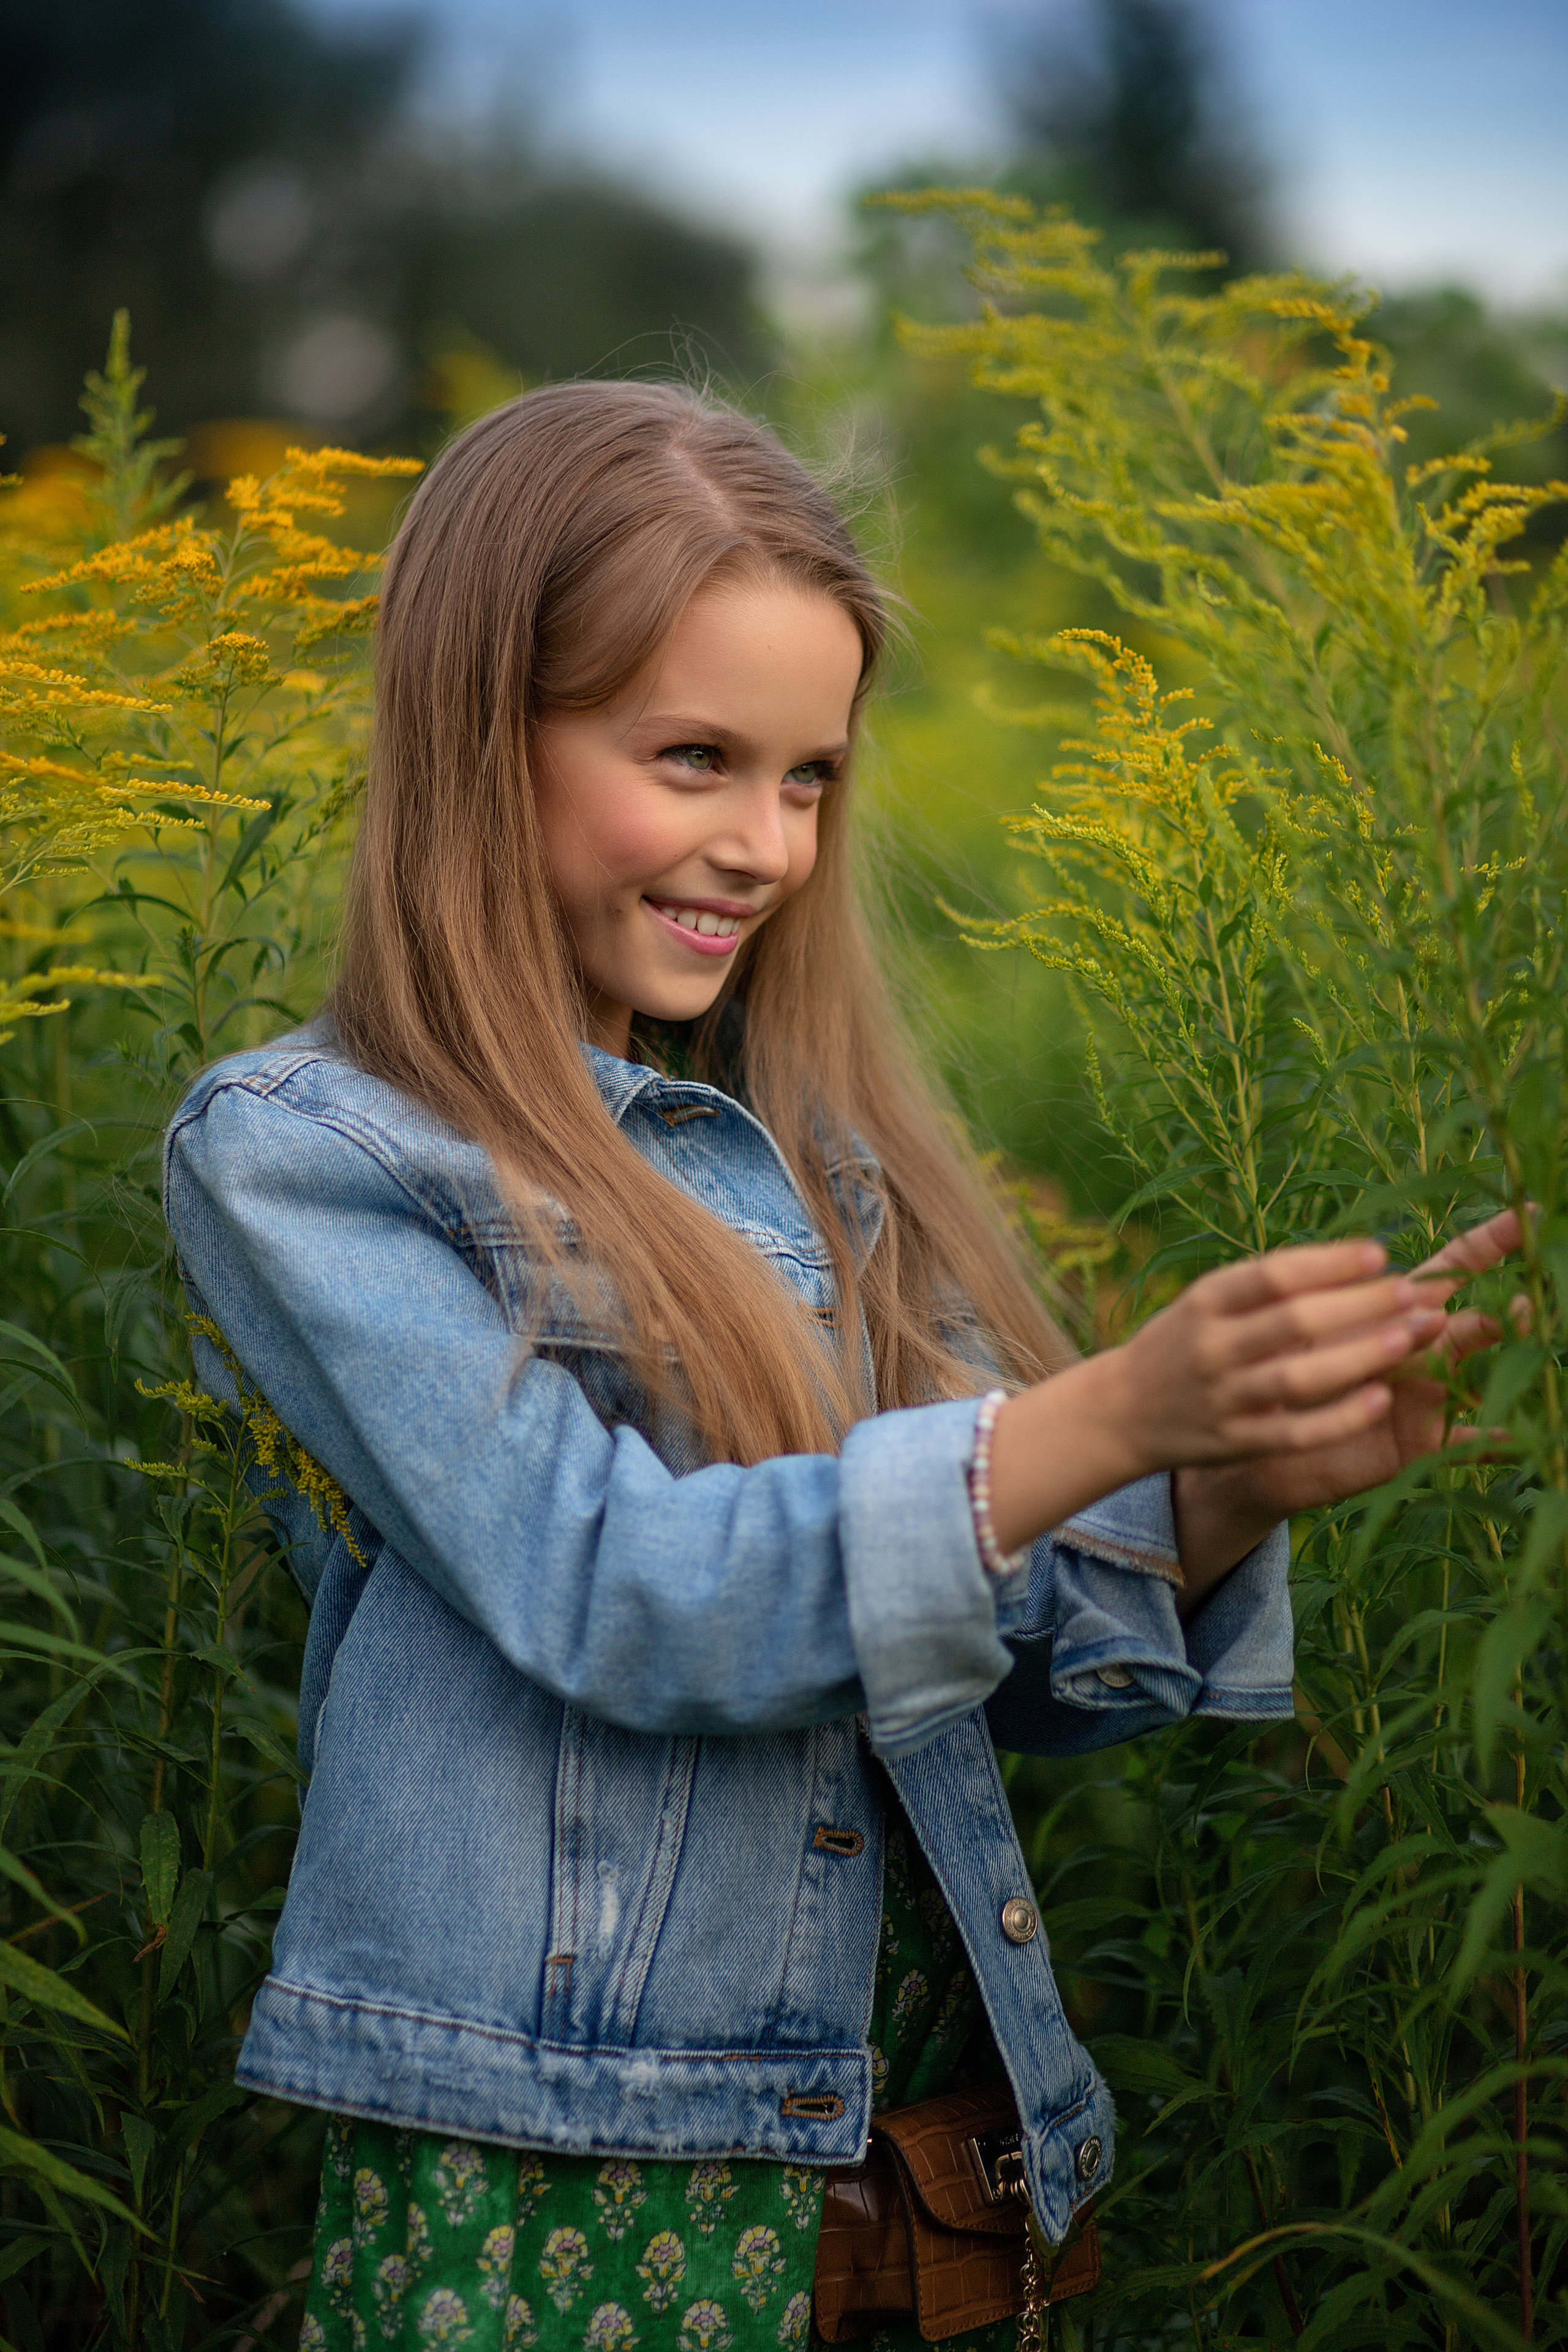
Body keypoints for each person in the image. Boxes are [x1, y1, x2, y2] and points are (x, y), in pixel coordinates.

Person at [162, 382, 1517, 2352]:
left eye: (809, 777)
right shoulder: (316, 1154)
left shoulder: (822, 1153)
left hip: (928, 2162)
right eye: (695, 757)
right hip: (563, 2189)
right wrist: (1113, 1407)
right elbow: (617, 1589)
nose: (764, 844)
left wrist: (1228, 1476)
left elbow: (1015, 1671)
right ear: (479, 733)